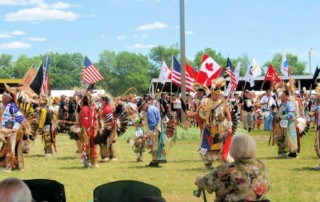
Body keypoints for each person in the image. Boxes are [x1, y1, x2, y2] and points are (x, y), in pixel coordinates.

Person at [195, 134, 270, 201]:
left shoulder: (224, 169)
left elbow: (204, 183)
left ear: (233, 149)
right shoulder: (262, 166)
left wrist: (198, 178)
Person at [198, 78, 233, 168]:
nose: (217, 96)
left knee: (221, 145)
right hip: (209, 128)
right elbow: (201, 113)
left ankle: (224, 161)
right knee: (204, 147)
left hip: (220, 128)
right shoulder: (205, 101)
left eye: (219, 94)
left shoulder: (223, 102)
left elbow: (228, 115)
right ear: (212, 93)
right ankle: (207, 162)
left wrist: (229, 127)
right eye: (215, 94)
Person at [0, 86, 24, 171]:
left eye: (3, 96)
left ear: (7, 98)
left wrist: (15, 128)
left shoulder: (11, 106)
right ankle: (4, 165)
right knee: (5, 148)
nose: (2, 97)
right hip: (5, 131)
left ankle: (9, 166)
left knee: (10, 148)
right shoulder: (5, 106)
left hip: (11, 132)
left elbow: (20, 117)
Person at [273, 90, 298, 158]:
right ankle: (282, 152)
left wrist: (280, 117)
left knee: (290, 139)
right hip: (283, 124)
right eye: (281, 95)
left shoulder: (289, 104)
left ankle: (293, 153)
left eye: (283, 95)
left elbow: (291, 115)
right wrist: (276, 116)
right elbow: (280, 112)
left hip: (289, 124)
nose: (282, 97)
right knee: (281, 138)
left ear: (287, 96)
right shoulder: (282, 104)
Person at [137, 99, 162, 167]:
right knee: (153, 145)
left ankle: (155, 162)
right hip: (157, 127)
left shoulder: (149, 110)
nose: (142, 110)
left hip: (155, 129)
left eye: (142, 108)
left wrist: (147, 134)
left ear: (144, 105)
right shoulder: (152, 107)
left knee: (153, 146)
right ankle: (154, 161)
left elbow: (153, 123)